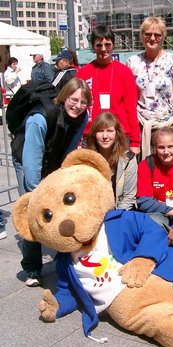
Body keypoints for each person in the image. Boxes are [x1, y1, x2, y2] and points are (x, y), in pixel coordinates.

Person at [12, 78, 92, 287]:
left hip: (53, 156)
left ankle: (65, 258)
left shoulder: (82, 116)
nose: (78, 106)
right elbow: (32, 163)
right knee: (32, 209)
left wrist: (59, 181)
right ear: (64, 96)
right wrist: (39, 194)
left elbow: (68, 150)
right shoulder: (41, 118)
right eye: (74, 100)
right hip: (26, 157)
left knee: (61, 205)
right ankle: (32, 267)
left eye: (84, 102)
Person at [126, 17, 173, 159]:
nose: (152, 38)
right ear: (141, 36)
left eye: (157, 35)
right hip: (142, 127)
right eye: (147, 34)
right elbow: (129, 98)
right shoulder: (132, 62)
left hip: (166, 127)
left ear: (163, 37)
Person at [77, 25, 140, 155]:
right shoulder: (83, 73)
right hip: (91, 137)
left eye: (107, 44)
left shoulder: (124, 72)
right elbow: (78, 110)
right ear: (93, 46)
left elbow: (131, 108)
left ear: (113, 45)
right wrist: (77, 140)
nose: (104, 49)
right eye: (99, 45)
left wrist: (135, 142)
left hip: (120, 137)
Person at [86, 112, 137, 210]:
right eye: (100, 131)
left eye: (109, 131)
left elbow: (129, 197)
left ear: (116, 133)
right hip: (92, 212)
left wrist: (113, 217)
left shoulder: (128, 159)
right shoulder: (87, 159)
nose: (105, 136)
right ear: (94, 134)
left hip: (119, 213)